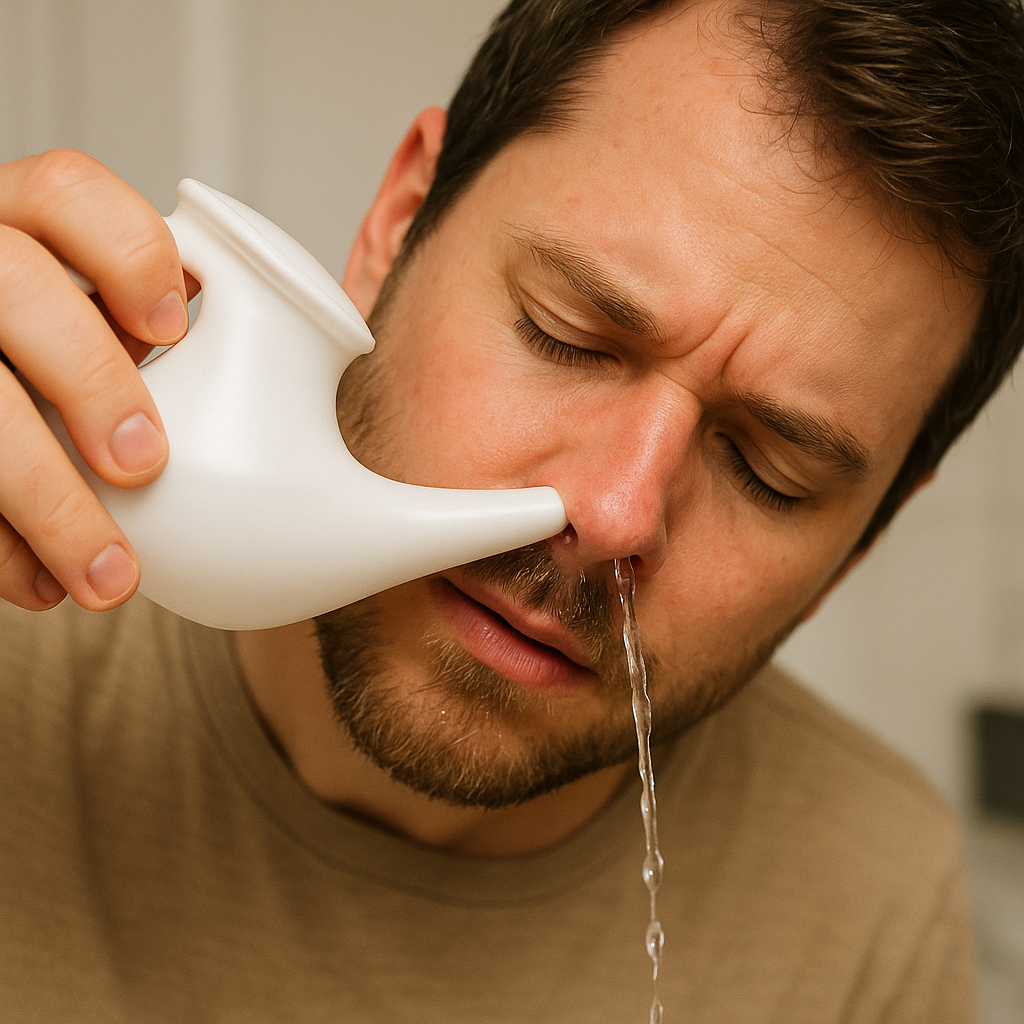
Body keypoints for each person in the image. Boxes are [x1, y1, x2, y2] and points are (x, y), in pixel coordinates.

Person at [1, 0, 1022, 1019]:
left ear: (865, 539)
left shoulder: (874, 902)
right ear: (400, 218)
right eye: (567, 334)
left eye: (770, 470)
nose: (616, 513)